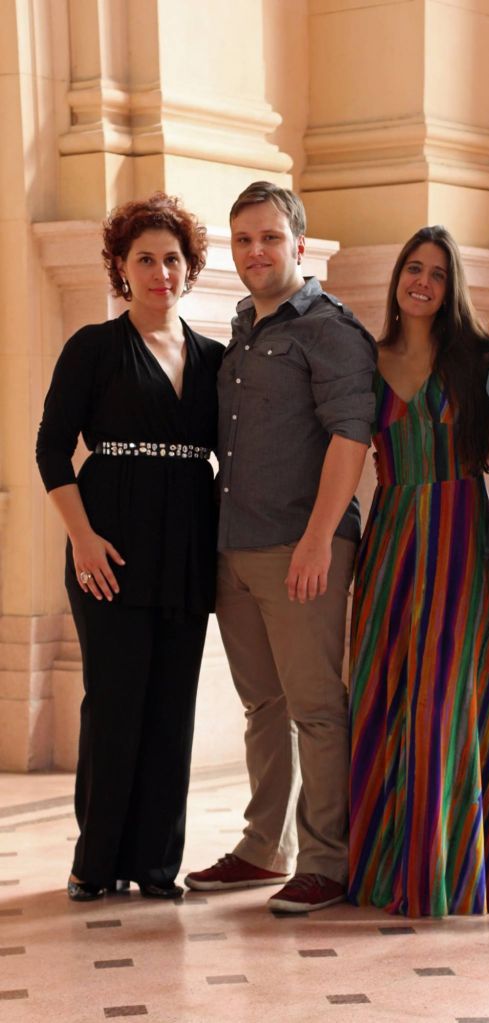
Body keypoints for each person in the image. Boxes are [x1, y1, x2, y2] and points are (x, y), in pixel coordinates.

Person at [184, 182, 376, 912]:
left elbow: (351, 437)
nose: (255, 252)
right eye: (243, 240)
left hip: (302, 547)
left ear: (299, 243)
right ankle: (265, 847)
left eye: (269, 238)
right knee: (262, 705)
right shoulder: (243, 326)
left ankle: (327, 860)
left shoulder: (330, 329)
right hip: (235, 547)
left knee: (316, 708)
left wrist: (319, 540)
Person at [36, 193, 223, 901]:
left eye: (172, 258)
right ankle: (95, 862)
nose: (160, 272)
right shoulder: (93, 347)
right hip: (107, 549)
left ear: (189, 267)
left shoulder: (215, 359)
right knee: (114, 703)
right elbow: (52, 450)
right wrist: (82, 540)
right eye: (145, 259)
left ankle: (154, 865)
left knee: (172, 709)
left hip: (187, 548)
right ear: (120, 266)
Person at [348, 226, 489, 917]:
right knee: (381, 691)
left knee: (446, 697)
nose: (422, 282)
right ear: (397, 279)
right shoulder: (365, 359)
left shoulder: (479, 359)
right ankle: (381, 870)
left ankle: (448, 871)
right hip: (389, 537)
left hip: (462, 536)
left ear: (452, 288)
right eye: (413, 268)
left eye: (438, 274)